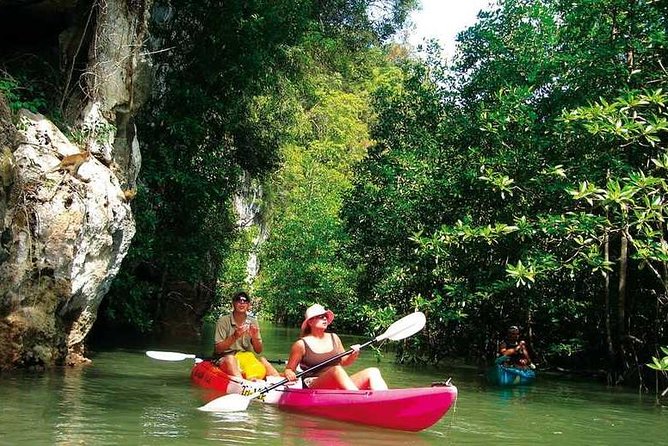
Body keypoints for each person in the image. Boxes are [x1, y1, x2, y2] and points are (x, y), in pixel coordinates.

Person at [283, 303, 388, 390]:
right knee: (336, 370)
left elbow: (344, 362)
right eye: (321, 317)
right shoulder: (301, 344)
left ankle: (384, 400)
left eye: (325, 316)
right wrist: (289, 373)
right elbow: (289, 369)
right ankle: (357, 398)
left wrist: (353, 354)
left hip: (336, 382)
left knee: (373, 371)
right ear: (310, 322)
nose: (325, 319)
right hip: (313, 385)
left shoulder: (334, 337)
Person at [214, 291, 280, 380]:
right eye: (238, 300)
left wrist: (255, 337)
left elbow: (258, 350)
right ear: (233, 303)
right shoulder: (223, 321)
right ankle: (242, 384)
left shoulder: (253, 322)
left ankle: (279, 382)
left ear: (248, 305)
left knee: (263, 360)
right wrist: (235, 336)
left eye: (245, 301)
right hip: (226, 357)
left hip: (245, 357)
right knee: (230, 359)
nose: (242, 302)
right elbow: (218, 349)